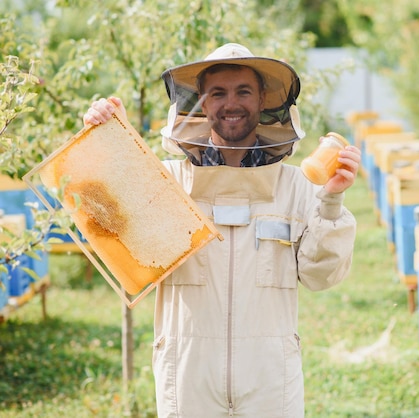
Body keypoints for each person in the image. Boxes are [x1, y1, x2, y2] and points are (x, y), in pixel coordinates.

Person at [83, 43, 360, 417]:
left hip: (270, 379)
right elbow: (110, 225)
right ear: (201, 101)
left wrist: (331, 201)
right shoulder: (167, 181)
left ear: (263, 99)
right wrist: (104, 137)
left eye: (243, 91)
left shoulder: (296, 187)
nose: (232, 103)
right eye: (219, 93)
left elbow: (320, 276)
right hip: (187, 376)